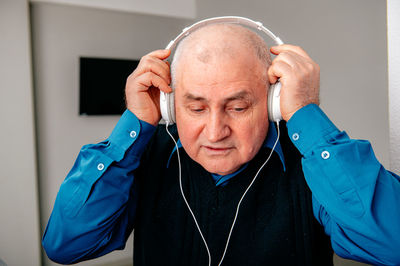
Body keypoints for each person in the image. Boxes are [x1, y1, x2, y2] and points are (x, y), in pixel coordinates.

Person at [42, 23, 400, 266]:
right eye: (196, 107)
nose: (214, 132)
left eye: (238, 107)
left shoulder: (313, 166)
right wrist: (134, 125)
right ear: (169, 105)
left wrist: (306, 114)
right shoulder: (141, 161)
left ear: (273, 100)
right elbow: (66, 244)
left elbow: (393, 243)